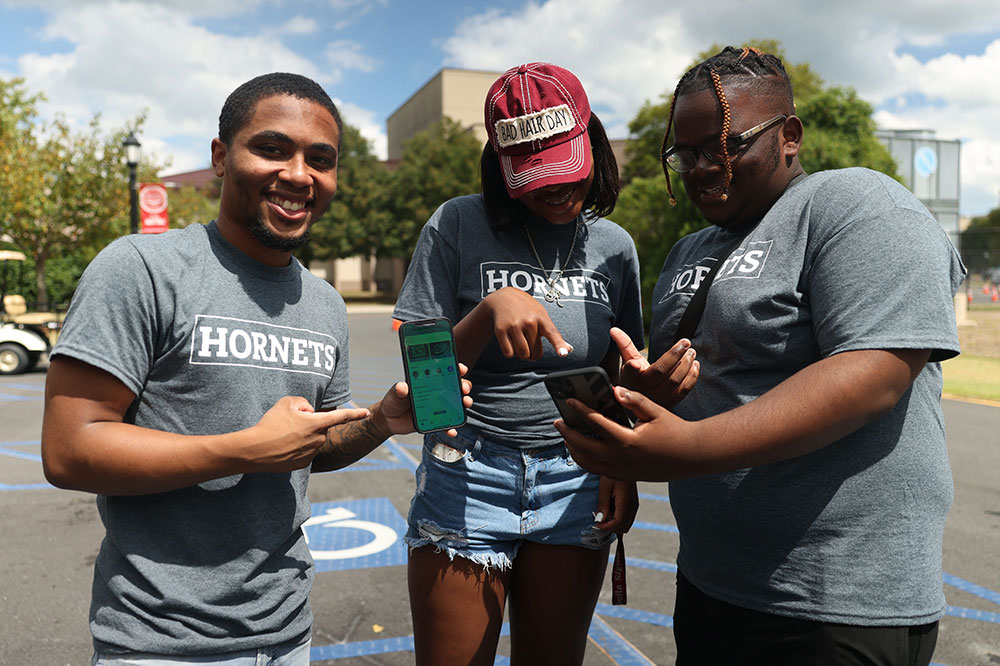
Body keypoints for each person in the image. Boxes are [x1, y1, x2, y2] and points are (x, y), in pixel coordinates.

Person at [40, 72, 469, 665]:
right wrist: (243, 449)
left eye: (321, 159)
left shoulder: (323, 304)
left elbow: (308, 447)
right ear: (220, 157)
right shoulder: (140, 268)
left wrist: (377, 422)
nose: (298, 175)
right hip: (159, 642)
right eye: (271, 148)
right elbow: (68, 449)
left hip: (287, 633)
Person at [558, 46, 966, 666]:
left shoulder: (855, 204)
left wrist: (688, 449)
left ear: (790, 136)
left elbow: (875, 371)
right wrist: (644, 410)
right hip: (712, 583)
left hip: (834, 602)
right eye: (686, 153)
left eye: (726, 144)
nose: (701, 169)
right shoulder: (688, 251)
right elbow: (705, 379)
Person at [392, 62, 652, 665]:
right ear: (500, 166)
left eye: (567, 168)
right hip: (467, 476)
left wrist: (623, 461)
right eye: (534, 177)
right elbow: (423, 391)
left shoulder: (615, 247)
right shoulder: (456, 224)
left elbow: (620, 375)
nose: (557, 189)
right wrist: (488, 312)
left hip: (576, 480)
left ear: (595, 142)